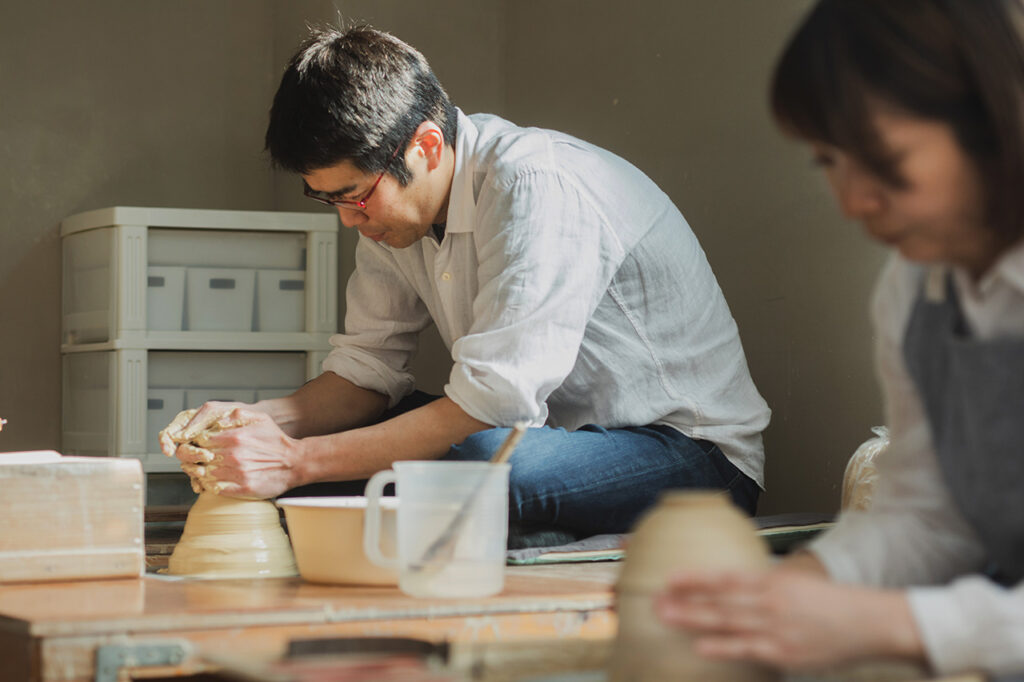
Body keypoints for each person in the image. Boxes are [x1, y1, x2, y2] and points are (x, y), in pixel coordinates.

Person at [161, 25, 770, 544]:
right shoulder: (389, 218)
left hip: (688, 456)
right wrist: (259, 423)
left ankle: (524, 534)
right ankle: (524, 532)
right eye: (328, 200)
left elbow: (494, 404)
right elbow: (365, 373)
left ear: (426, 145)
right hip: (538, 438)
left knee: (461, 471)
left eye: (353, 196)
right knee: (363, 467)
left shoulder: (534, 182)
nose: (348, 219)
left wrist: (295, 462)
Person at [654, 0, 1024, 678]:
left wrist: (896, 623)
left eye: (883, 158)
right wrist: (801, 586)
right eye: (828, 160)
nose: (852, 200)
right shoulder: (915, 291)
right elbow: (927, 514)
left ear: (986, 120)